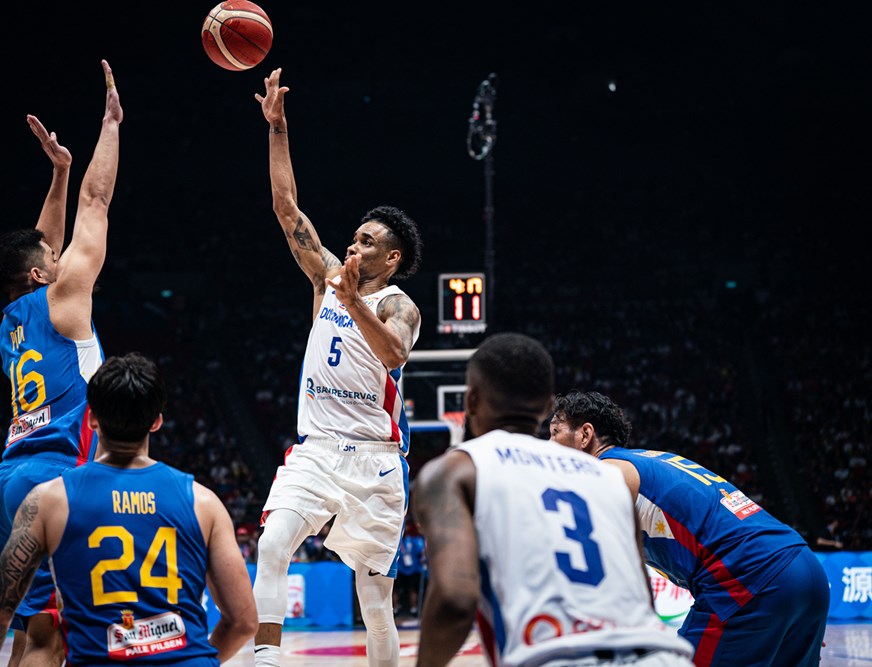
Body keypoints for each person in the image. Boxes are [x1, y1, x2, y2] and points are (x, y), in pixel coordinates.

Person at [251, 67, 424, 667]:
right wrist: (278, 128)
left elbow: (395, 354)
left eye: (367, 242)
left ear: (392, 257)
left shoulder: (396, 303)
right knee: (273, 545)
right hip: (317, 448)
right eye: (351, 240)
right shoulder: (327, 279)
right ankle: (267, 661)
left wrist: (352, 301)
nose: (353, 248)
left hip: (376, 461)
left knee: (375, 600)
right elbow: (285, 207)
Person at [412, 333, 695, 667]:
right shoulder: (606, 477)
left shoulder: (456, 471)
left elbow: (454, 600)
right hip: (660, 657)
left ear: (470, 401)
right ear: (548, 407)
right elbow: (642, 596)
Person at [0, 352, 258, 665]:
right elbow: (243, 622)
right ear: (157, 420)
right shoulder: (203, 503)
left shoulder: (49, 501)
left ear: (92, 418)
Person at [0, 59, 122, 666]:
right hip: (59, 476)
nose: (62, 255)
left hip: (6, 481)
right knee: (53, 636)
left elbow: (44, 241)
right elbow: (99, 199)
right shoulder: (65, 298)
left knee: (24, 627)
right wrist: (110, 124)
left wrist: (58, 170)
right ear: (41, 273)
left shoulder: (12, 319)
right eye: (52, 256)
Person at [548, 390, 830, 666]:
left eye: (554, 432)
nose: (547, 445)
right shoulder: (649, 458)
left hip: (750, 579)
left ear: (585, 435)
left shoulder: (607, 471)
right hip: (804, 571)